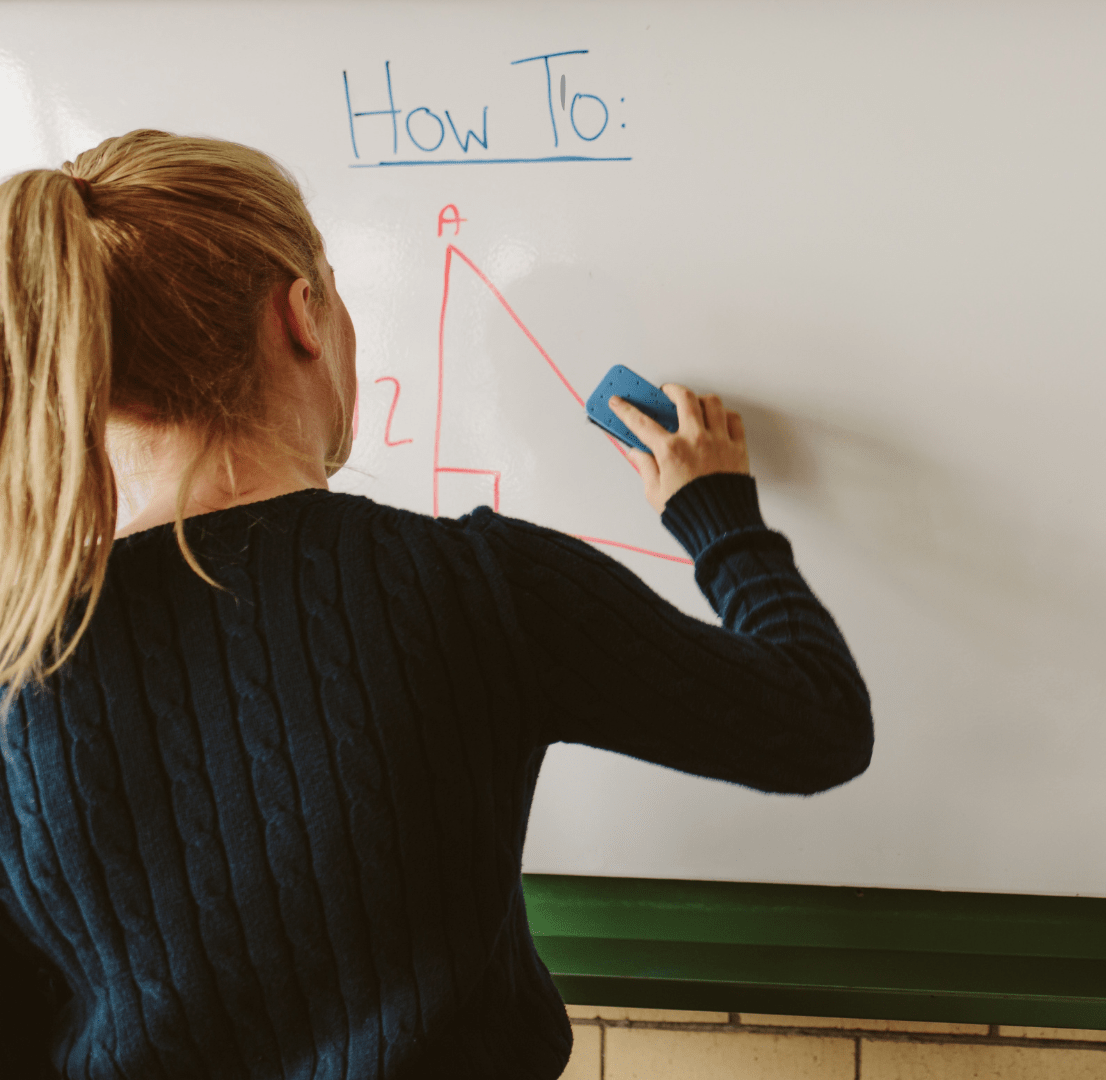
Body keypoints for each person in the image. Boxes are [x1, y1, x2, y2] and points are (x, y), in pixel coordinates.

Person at [0, 129, 873, 1079]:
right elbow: (818, 721)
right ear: (303, 315)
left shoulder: (15, 663)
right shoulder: (470, 586)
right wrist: (719, 519)